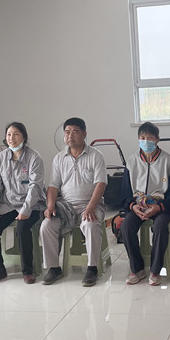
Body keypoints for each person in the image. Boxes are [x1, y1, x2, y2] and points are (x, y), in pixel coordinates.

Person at [40, 117, 107, 287]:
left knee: (90, 225)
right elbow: (53, 186)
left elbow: (101, 184)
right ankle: (54, 268)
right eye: (67, 132)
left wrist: (90, 207)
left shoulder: (96, 156)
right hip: (66, 207)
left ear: (84, 134)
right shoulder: (59, 158)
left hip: (91, 205)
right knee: (46, 225)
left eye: (75, 132)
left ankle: (92, 268)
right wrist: (50, 206)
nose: (70, 136)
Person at [119, 122, 170, 286]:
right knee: (126, 227)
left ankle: (155, 270)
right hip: (138, 206)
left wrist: (159, 207)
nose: (146, 141)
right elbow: (125, 193)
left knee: (160, 227)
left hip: (161, 206)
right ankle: (137, 269)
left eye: (150, 138)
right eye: (142, 138)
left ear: (157, 140)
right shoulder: (131, 161)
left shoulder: (168, 161)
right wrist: (133, 206)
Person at [0, 122, 46, 284]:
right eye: (9, 134)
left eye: (16, 134)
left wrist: (26, 210)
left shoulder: (34, 157)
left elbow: (35, 186)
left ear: (24, 137)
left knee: (22, 228)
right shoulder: (1, 158)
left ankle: (28, 271)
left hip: (32, 204)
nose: (12, 138)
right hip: (9, 204)